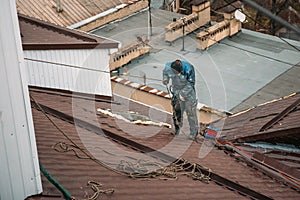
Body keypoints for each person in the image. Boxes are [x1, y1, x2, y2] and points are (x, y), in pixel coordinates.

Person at [162, 60, 199, 139]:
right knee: (177, 111)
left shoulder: (189, 68)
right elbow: (165, 73)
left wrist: (182, 94)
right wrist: (165, 79)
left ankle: (194, 133)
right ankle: (177, 129)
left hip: (188, 92)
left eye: (179, 73)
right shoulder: (168, 67)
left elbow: (191, 83)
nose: (178, 75)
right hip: (176, 90)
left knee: (190, 112)